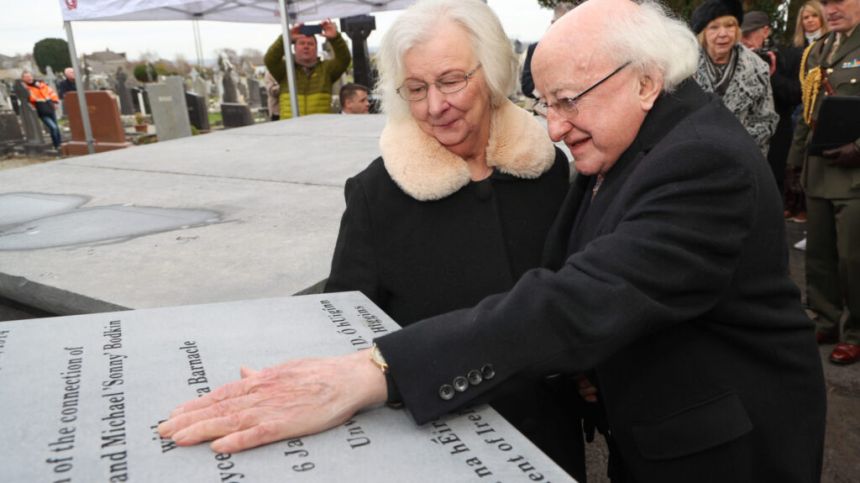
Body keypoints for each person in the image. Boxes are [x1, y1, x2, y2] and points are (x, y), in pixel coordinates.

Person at [159, 1, 827, 481]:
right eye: (548, 104)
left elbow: (583, 295)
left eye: (569, 101)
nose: (557, 127)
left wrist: (377, 370)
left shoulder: (695, 161)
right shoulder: (630, 137)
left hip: (718, 449)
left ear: (646, 79)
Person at [323, 1, 583, 477]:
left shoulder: (546, 170)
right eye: (416, 88)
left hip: (549, 434)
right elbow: (345, 327)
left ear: (493, 72)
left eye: (450, 81)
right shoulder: (375, 195)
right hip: (439, 448)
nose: (434, 106)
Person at [787, 0, 860, 365]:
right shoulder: (819, 49)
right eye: (826, 2)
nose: (832, 9)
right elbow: (809, 107)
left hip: (855, 174)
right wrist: (793, 163)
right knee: (819, 255)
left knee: (853, 258)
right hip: (819, 169)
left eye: (840, 1)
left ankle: (856, 331)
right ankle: (826, 318)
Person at [690, 0, 778, 157]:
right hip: (694, 156)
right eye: (714, 27)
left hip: (741, 156)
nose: (723, 33)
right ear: (703, 33)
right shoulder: (686, 66)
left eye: (730, 26)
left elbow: (765, 120)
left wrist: (735, 144)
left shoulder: (757, 68)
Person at [741, 11, 802, 198]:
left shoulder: (788, 56)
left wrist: (771, 74)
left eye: (750, 34)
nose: (745, 40)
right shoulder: (734, 58)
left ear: (766, 31)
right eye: (742, 35)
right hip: (743, 139)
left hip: (777, 139)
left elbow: (797, 94)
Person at [786, 1, 830, 223]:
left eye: (814, 16)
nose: (810, 20)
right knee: (804, 168)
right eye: (805, 17)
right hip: (803, 114)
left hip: (828, 116)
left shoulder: (830, 45)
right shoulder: (801, 50)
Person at [263, 19, 351, 119]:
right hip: (290, 128)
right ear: (294, 48)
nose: (306, 46)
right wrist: (285, 38)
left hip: (320, 127)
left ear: (316, 49)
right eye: (302, 43)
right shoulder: (286, 70)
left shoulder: (326, 70)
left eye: (310, 44)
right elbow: (270, 59)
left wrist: (336, 38)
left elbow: (344, 60)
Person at [520, 2, 578, 100]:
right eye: (563, 23)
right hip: (546, 109)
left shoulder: (582, 49)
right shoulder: (535, 49)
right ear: (552, 23)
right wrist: (550, 95)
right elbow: (527, 86)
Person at [21, 70, 61, 150]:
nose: (29, 78)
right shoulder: (27, 89)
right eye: (26, 77)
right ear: (23, 79)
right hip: (41, 111)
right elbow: (30, 100)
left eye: (30, 76)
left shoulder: (41, 84)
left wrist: (55, 102)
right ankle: (56, 145)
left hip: (50, 108)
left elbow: (51, 93)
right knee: (53, 127)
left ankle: (59, 144)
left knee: (56, 127)